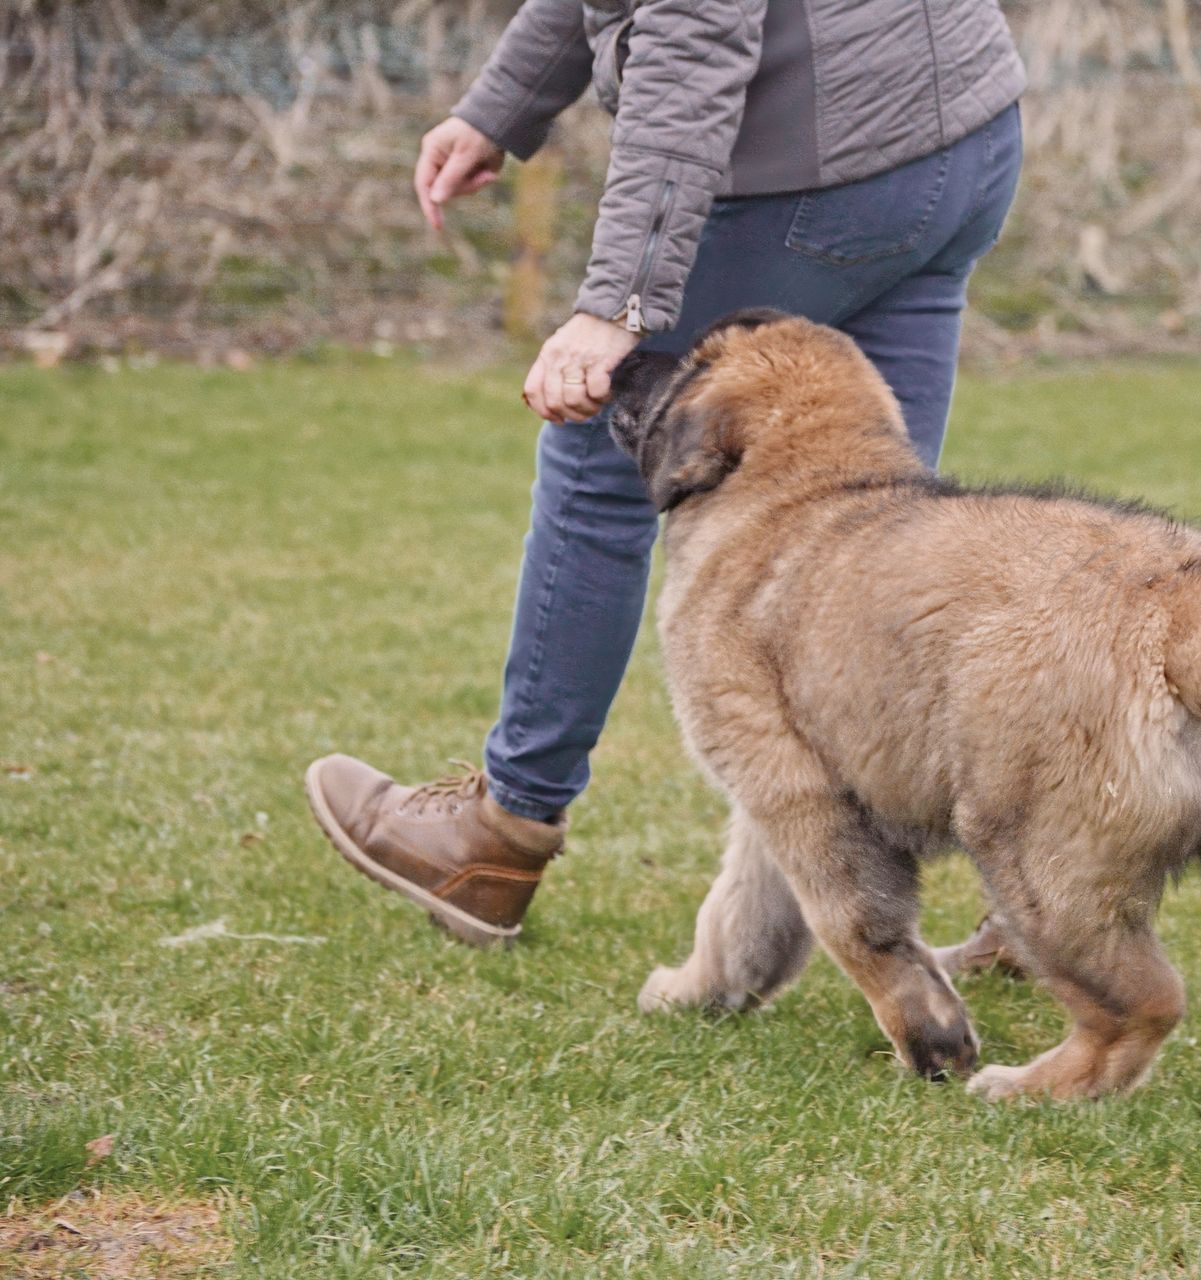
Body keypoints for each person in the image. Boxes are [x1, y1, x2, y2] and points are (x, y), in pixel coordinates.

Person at [305, 0, 1025, 949]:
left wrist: (620, 303)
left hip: (809, 162)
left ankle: (503, 832)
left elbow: (692, 38)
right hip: (958, 131)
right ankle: (1037, 865)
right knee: (873, 517)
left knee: (609, 445)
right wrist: (503, 105)